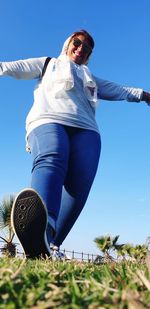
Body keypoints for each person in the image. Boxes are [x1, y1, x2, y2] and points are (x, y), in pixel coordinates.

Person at [1, 29, 150, 258]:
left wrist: (143, 95)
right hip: (49, 119)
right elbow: (15, 67)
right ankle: (43, 225)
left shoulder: (90, 78)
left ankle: (48, 244)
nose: (81, 49)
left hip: (87, 129)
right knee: (53, 156)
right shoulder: (48, 64)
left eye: (87, 49)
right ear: (68, 43)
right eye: (77, 43)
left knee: (80, 185)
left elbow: (117, 89)